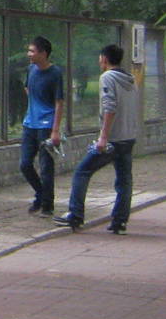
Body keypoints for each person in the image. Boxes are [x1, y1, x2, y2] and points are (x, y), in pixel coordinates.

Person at [55, 44, 139, 233]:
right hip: (128, 137)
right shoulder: (130, 79)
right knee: (124, 180)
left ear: (104, 59)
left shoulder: (107, 77)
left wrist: (103, 137)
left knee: (82, 172)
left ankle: (75, 214)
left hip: (112, 140)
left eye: (100, 57)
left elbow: (110, 107)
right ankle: (120, 221)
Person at [19, 36, 64, 215]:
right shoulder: (31, 69)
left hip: (46, 126)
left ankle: (47, 204)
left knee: (46, 167)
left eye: (32, 51)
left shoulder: (55, 73)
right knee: (25, 164)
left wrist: (55, 130)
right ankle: (41, 193)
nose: (29, 54)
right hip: (29, 124)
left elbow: (59, 102)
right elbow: (27, 88)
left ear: (43, 53)